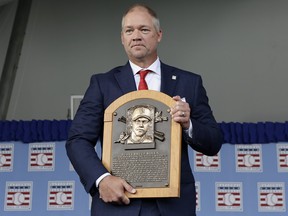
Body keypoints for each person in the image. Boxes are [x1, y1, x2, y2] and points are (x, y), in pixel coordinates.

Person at [66, 3, 223, 216]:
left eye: (144, 29)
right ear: (122, 38)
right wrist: (102, 179)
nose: (136, 36)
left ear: (159, 35)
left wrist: (189, 124)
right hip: (118, 205)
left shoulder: (189, 83)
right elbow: (78, 140)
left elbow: (213, 142)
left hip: (172, 207)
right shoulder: (102, 84)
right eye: (129, 31)